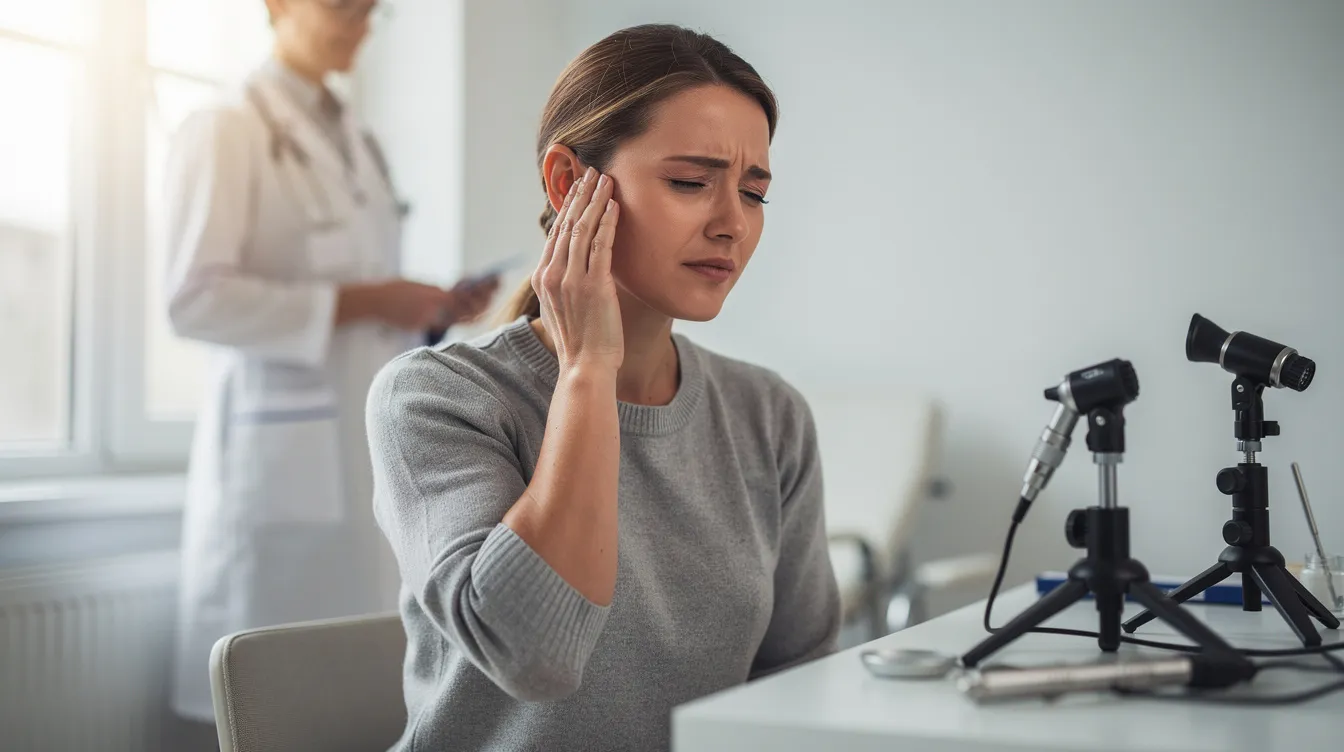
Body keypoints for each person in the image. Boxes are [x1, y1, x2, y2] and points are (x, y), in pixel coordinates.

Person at [365, 23, 841, 751]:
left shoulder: (769, 416)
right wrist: (588, 369)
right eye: (691, 182)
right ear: (567, 183)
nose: (732, 224)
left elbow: (798, 686)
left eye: (754, 193)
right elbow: (534, 656)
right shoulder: (435, 399)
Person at [161, 0, 499, 729]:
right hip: (279, 462)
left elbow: (364, 313)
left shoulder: (357, 140)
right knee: (268, 703)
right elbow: (193, 300)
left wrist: (428, 311)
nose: (360, 23)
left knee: (358, 699)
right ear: (277, 6)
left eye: (371, 9)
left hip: (362, 444)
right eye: (341, 6)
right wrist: (373, 297)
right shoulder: (226, 126)